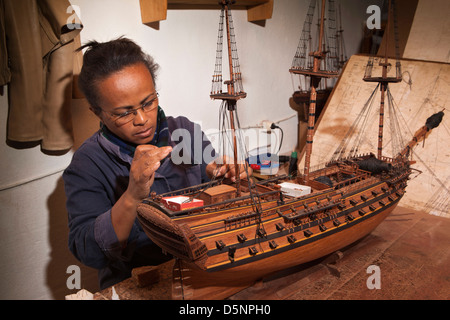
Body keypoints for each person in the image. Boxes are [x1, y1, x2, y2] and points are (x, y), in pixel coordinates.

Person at [63, 37, 250, 289]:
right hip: (138, 281)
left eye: (148, 102)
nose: (142, 119)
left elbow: (214, 187)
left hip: (200, 267)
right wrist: (132, 196)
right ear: (97, 112)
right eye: (123, 113)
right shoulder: (87, 164)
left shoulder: (184, 130)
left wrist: (225, 177)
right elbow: (88, 252)